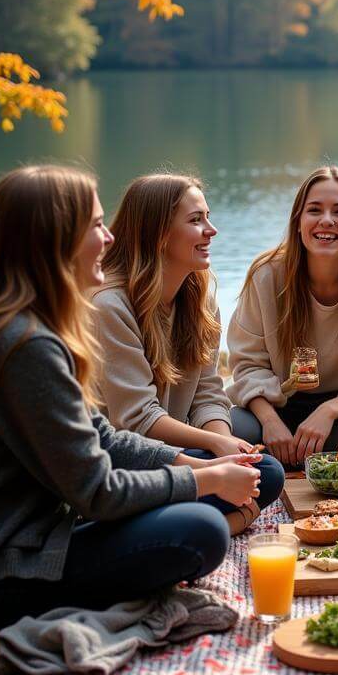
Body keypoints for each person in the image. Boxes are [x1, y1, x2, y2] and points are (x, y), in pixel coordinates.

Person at [0, 165, 260, 635]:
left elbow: (102, 437)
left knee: (235, 490)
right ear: (55, 238)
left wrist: (197, 467)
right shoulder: (21, 344)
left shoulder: (28, 326)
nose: (111, 238)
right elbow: (98, 492)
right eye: (96, 225)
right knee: (202, 531)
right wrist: (205, 480)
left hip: (38, 540)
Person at [93, 174, 284, 535]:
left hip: (178, 455)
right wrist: (213, 444)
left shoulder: (199, 297)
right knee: (264, 475)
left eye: (207, 217)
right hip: (126, 462)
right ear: (159, 233)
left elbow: (208, 392)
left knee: (262, 472)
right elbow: (136, 418)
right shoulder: (109, 306)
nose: (211, 230)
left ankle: (189, 520)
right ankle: (216, 523)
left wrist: (226, 445)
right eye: (196, 220)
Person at [227, 165, 338, 469]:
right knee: (231, 426)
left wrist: (329, 411)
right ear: (298, 222)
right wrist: (270, 421)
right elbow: (247, 365)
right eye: (314, 210)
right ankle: (318, 454)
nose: (326, 221)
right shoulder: (266, 275)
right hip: (278, 405)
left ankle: (289, 455)